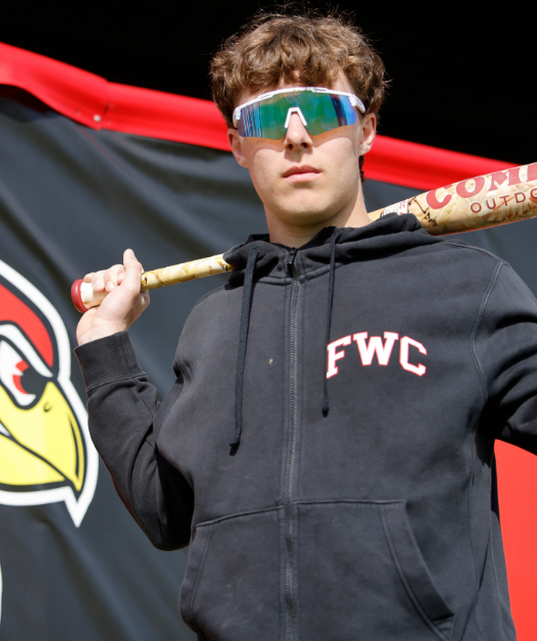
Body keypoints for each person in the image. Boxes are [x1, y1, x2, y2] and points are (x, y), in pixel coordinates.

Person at [75, 11, 535, 640]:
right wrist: (104, 348)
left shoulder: (466, 288)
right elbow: (163, 512)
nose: (296, 137)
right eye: (265, 117)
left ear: (366, 129)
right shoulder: (213, 325)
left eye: (321, 111)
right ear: (238, 146)